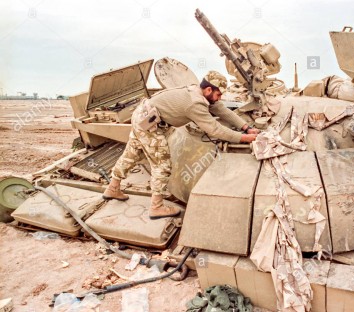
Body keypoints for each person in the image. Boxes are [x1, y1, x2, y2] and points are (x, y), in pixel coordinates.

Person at [103, 70, 259, 219]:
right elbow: (215, 130)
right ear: (209, 90)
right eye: (218, 94)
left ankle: (112, 189)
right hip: (149, 125)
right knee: (162, 165)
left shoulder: (197, 90)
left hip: (142, 116)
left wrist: (246, 128)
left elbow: (223, 111)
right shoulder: (195, 104)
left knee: (132, 154)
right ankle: (156, 207)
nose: (219, 98)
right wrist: (245, 138)